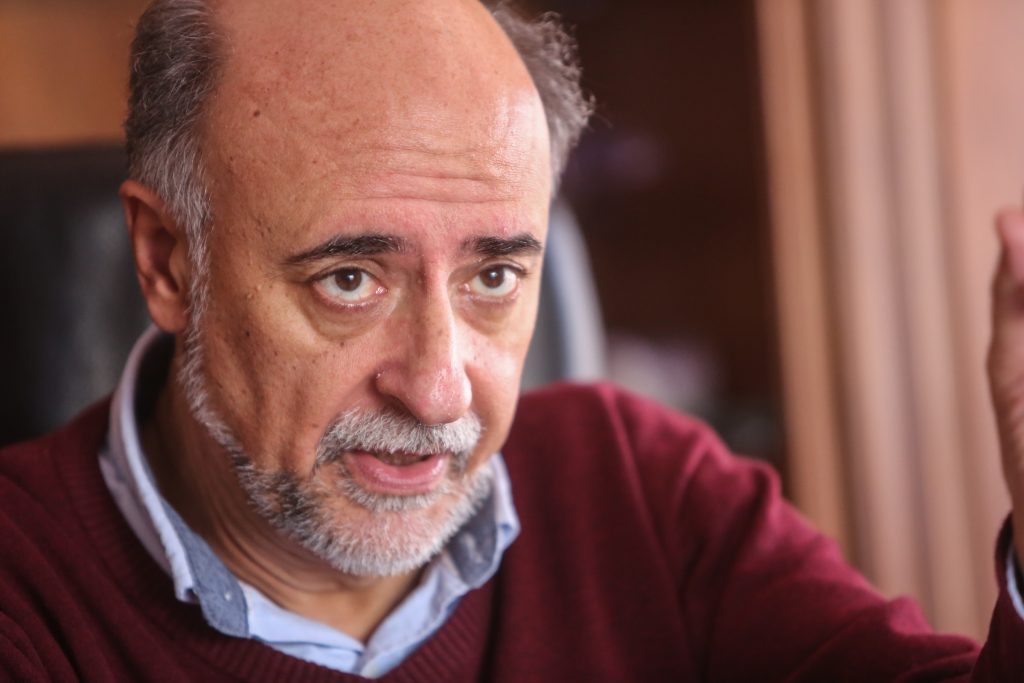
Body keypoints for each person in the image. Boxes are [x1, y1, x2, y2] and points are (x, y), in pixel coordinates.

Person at [3, 0, 1024, 680]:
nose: (439, 388)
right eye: (350, 280)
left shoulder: (642, 487)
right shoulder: (24, 593)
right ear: (169, 262)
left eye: (493, 277)